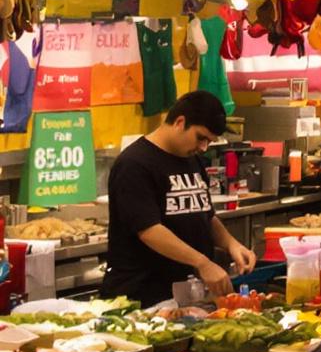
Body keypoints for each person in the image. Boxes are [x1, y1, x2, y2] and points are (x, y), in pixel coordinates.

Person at [103, 90, 254, 303]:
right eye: (201, 137)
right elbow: (149, 230)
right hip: (141, 298)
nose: (203, 147)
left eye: (209, 142)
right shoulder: (134, 164)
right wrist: (202, 263)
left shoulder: (192, 160)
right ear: (180, 122)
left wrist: (232, 244)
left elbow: (205, 216)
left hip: (185, 297)